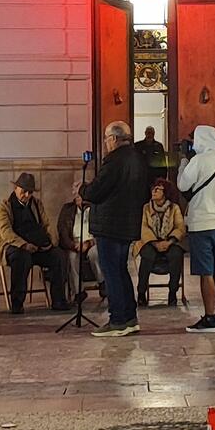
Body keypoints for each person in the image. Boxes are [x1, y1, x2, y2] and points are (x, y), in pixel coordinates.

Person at [81, 121, 153, 337]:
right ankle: (130, 318)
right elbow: (145, 194)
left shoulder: (114, 161)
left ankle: (118, 320)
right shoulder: (138, 159)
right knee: (121, 270)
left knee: (112, 272)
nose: (105, 143)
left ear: (113, 139)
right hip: (128, 224)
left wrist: (82, 189)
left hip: (109, 225)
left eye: (106, 138)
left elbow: (96, 191)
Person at [178, 124, 215, 333]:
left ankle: (210, 318)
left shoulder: (198, 160)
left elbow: (183, 185)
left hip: (202, 223)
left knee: (206, 272)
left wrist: (183, 162)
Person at [0, 174, 68, 314]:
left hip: (37, 246)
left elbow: (47, 224)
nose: (27, 195)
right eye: (24, 191)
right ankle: (17, 303)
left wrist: (50, 243)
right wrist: (24, 244)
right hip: (14, 246)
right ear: (16, 188)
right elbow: (5, 232)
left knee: (58, 256)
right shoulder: (4, 206)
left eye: (30, 192)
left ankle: (59, 300)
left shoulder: (36, 204)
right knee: (22, 258)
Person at [135, 178, 188, 305]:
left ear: (165, 193)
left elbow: (180, 227)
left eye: (158, 189)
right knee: (147, 254)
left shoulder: (174, 208)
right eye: (153, 188)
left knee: (176, 254)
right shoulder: (146, 208)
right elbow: (144, 228)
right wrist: (155, 243)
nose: (154, 191)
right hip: (151, 241)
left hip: (170, 241)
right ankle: (141, 292)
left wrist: (169, 242)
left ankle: (173, 292)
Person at [55, 180, 99, 299]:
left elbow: (101, 233)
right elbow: (62, 231)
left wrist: (89, 243)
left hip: (91, 243)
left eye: (80, 193)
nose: (78, 197)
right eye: (76, 194)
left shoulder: (95, 209)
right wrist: (73, 245)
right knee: (71, 257)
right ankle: (78, 292)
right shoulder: (67, 209)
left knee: (95, 253)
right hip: (74, 244)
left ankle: (102, 283)